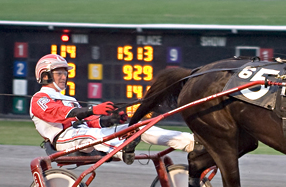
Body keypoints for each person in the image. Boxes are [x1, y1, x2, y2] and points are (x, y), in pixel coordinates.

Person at [30, 54, 194, 163]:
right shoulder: (39, 99)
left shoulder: (69, 99)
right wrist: (92, 110)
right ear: (45, 76)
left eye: (65, 73)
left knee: (138, 127)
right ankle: (122, 150)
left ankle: (190, 142)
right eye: (59, 73)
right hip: (64, 140)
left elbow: (89, 122)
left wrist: (109, 120)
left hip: (86, 136)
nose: (64, 76)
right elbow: (57, 113)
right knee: (89, 134)